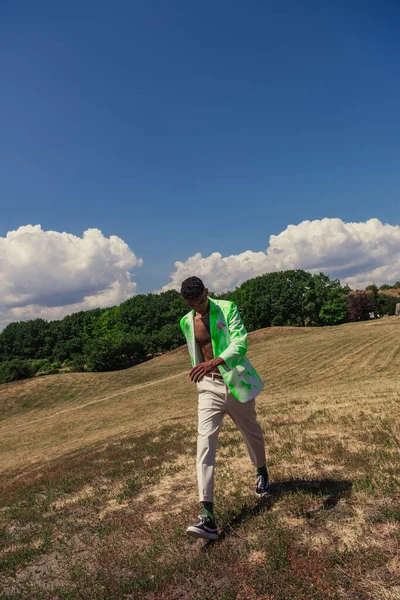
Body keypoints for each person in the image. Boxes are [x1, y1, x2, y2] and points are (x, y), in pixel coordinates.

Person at [179, 276, 269, 540]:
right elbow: (197, 351)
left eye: (202, 301)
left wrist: (214, 362)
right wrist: (204, 370)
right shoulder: (186, 321)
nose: (199, 308)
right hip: (209, 387)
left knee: (252, 433)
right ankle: (208, 516)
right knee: (204, 443)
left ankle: (261, 470)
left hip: (235, 383)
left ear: (207, 292)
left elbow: (240, 343)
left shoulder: (227, 308)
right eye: (193, 305)